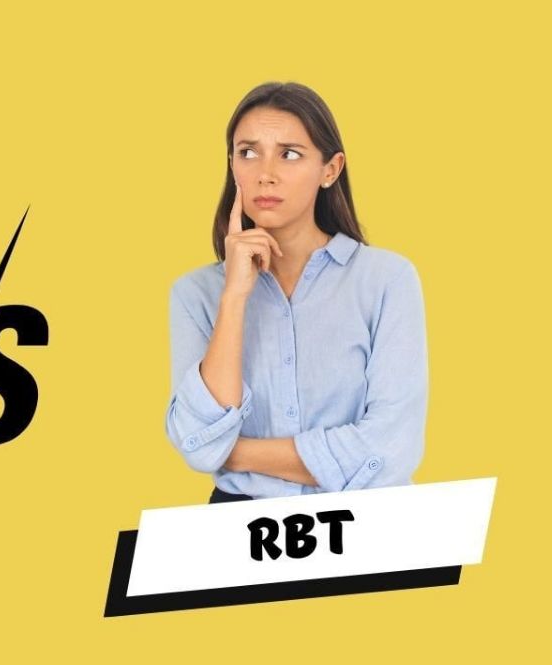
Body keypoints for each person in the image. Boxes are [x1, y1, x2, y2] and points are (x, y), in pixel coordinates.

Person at [165, 82, 427, 503]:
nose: (265, 173)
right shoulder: (196, 293)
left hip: (367, 526)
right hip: (239, 536)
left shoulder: (386, 280)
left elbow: (389, 449)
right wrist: (234, 298)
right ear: (232, 166)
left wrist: (233, 452)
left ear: (330, 169)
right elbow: (197, 438)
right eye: (248, 153)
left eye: (289, 153)